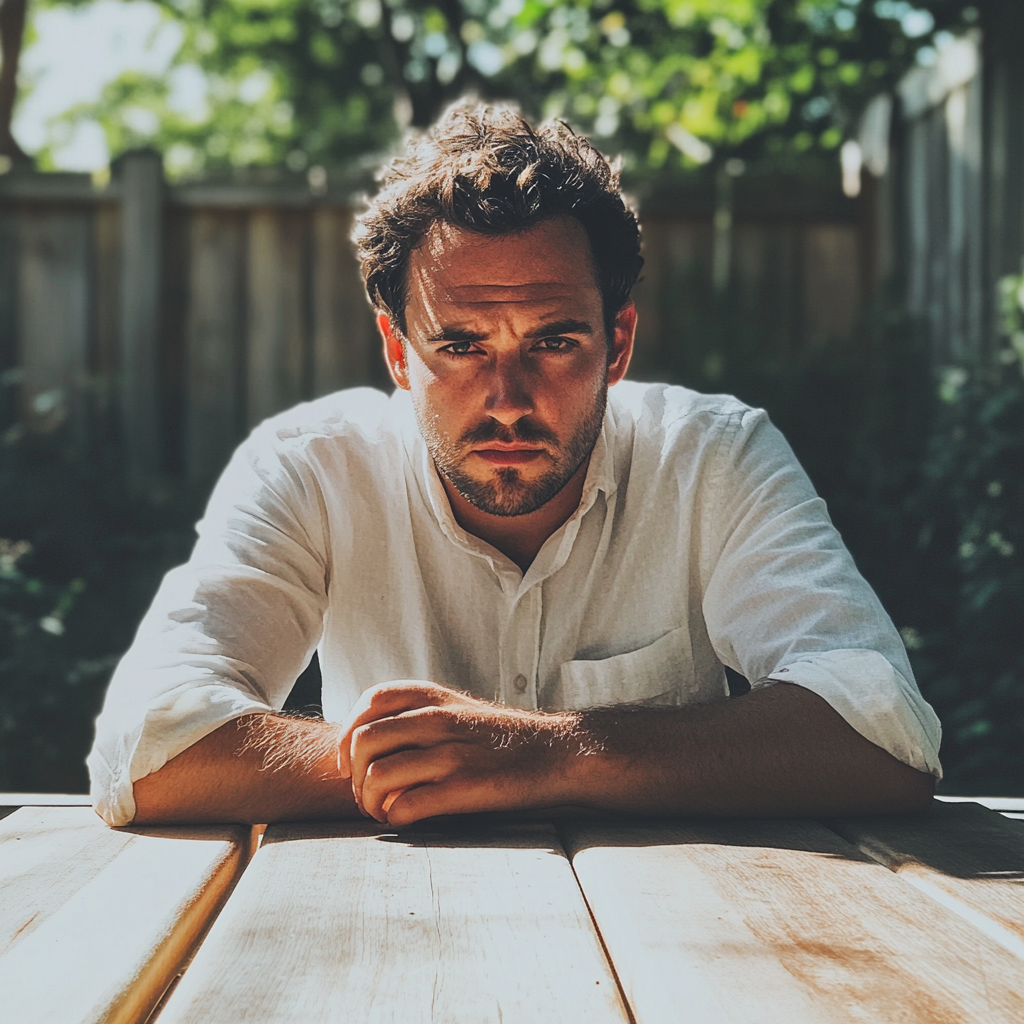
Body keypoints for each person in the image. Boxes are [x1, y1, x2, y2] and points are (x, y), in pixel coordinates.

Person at [88, 104, 941, 829]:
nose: (505, 398)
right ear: (396, 351)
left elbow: (883, 731)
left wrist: (549, 754)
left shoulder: (713, 455)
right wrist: (431, 767)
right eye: (458, 346)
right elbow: (145, 747)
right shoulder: (311, 468)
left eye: (554, 342)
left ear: (618, 343)